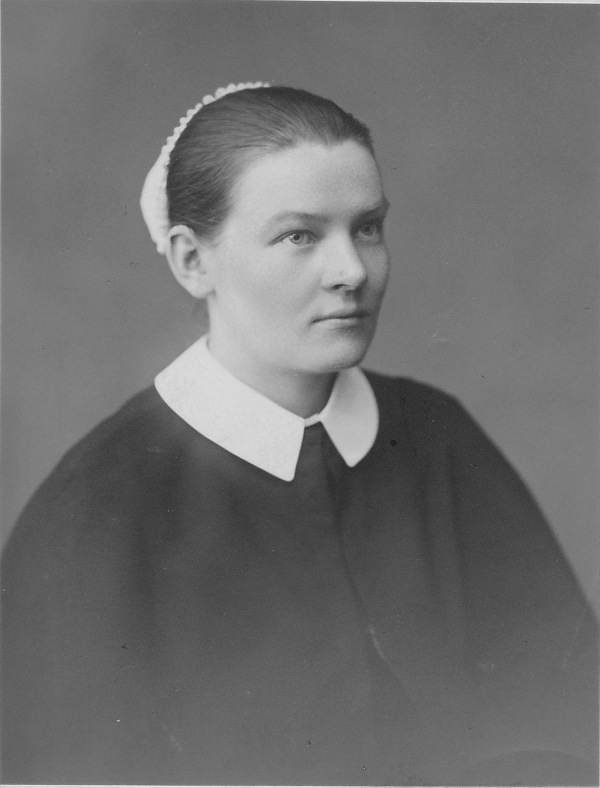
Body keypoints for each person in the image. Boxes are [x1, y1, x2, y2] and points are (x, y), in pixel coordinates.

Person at [1, 83, 597, 786]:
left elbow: (567, 718)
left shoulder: (436, 438)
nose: (352, 271)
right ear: (192, 261)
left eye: (367, 227)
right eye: (299, 236)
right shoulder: (95, 510)